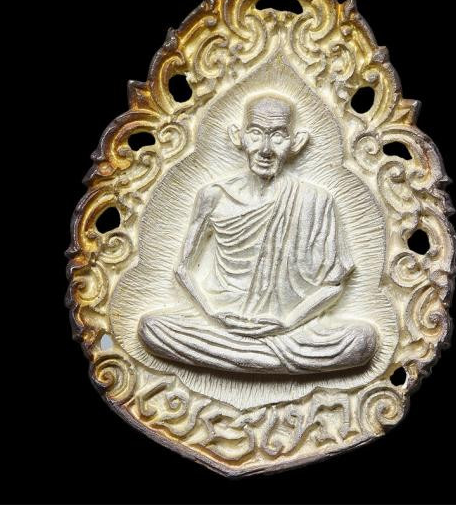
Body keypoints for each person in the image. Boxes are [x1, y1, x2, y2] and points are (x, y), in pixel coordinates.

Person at [139, 94, 377, 374]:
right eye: (255, 134)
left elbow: (333, 285)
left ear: (296, 143)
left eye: (278, 137)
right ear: (238, 137)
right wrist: (212, 314)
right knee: (151, 328)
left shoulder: (315, 199)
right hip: (220, 323)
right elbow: (182, 269)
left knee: (361, 340)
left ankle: (244, 358)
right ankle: (260, 359)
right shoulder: (213, 196)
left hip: (289, 329)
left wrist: (287, 322)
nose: (265, 149)